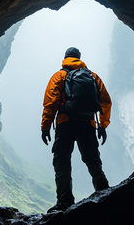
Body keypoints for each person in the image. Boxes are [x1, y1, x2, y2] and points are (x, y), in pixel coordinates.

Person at [41, 47, 112, 213]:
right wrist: (103, 125)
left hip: (66, 122)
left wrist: (45, 127)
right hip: (88, 124)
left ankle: (65, 201)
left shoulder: (60, 76)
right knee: (93, 159)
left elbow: (50, 102)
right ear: (80, 58)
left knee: (62, 161)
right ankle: (104, 190)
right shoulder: (93, 77)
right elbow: (106, 101)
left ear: (65, 58)